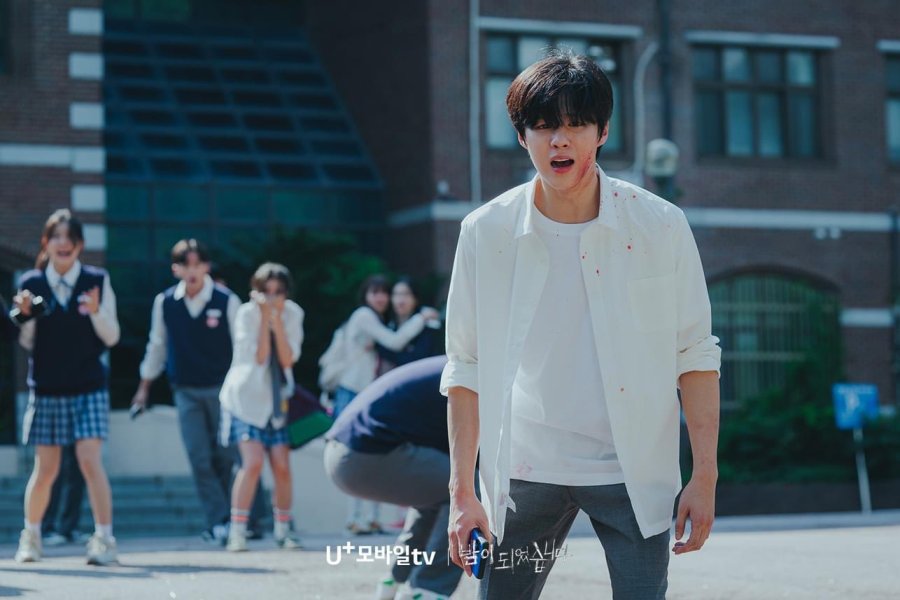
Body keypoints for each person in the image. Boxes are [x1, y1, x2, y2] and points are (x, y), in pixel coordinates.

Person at [442, 50, 722, 599]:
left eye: (576, 125)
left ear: (603, 132)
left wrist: (704, 475)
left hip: (633, 468)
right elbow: (465, 366)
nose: (559, 141)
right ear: (522, 137)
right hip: (524, 468)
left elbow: (694, 354)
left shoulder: (659, 226)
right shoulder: (485, 232)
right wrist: (461, 492)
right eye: (543, 126)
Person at [12, 209, 121, 565]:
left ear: (80, 245)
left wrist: (96, 311)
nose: (63, 243)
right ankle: (31, 537)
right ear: (46, 243)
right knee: (46, 470)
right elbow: (27, 342)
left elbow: (112, 336)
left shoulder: (96, 280)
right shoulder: (31, 282)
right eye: (56, 236)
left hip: (89, 386)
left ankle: (104, 539)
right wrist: (26, 316)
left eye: (69, 237)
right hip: (47, 388)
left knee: (90, 460)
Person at [131, 239, 244, 544]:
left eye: (198, 264)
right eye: (185, 264)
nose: (192, 271)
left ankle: (238, 518)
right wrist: (143, 388)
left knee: (226, 455)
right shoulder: (165, 302)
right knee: (198, 456)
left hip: (223, 389)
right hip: (185, 390)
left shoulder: (226, 300)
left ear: (207, 266)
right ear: (175, 269)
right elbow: (157, 346)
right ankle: (218, 521)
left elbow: (242, 346)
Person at [325, 356, 462, 600]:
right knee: (468, 490)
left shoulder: (457, 363)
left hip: (344, 451)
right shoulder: (471, 376)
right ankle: (429, 590)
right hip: (365, 454)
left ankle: (394, 584)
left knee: (437, 492)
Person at [332, 274, 439, 535]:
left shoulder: (383, 322)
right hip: (354, 391)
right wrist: (420, 318)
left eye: (384, 292)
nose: (382, 297)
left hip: (369, 393)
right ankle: (355, 519)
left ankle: (371, 518)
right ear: (366, 295)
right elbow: (394, 344)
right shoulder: (364, 316)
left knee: (374, 454)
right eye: (375, 292)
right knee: (354, 451)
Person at [219, 262, 304, 551]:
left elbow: (287, 359)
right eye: (266, 291)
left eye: (278, 291)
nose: (272, 297)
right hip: (245, 399)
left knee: (282, 465)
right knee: (253, 462)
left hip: (277, 401)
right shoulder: (245, 314)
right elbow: (259, 357)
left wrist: (276, 321)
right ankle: (237, 532)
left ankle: (284, 530)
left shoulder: (293, 314)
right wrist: (265, 315)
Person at [376, 277, 442, 372]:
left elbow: (420, 360)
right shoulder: (388, 326)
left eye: (406, 294)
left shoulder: (430, 324)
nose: (400, 300)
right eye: (396, 294)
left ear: (415, 298)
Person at [41, 444, 87, 546]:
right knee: (53, 473)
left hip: (77, 437)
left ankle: (69, 528)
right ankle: (46, 528)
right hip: (57, 436)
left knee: (77, 473)